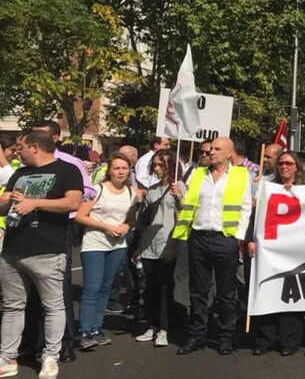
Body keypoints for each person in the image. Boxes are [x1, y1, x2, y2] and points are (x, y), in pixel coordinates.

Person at [0, 130, 84, 379]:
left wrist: (35, 203)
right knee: (12, 306)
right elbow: (3, 200)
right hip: (13, 248)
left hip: (47, 249)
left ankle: (50, 358)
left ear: (35, 147)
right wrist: (9, 201)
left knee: (52, 306)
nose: (17, 151)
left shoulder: (67, 171)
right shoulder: (20, 172)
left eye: (21, 146)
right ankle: (6, 358)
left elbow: (72, 203)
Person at [170, 136, 253, 356]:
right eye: (209, 149)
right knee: (198, 291)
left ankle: (225, 336)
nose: (211, 152)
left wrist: (239, 237)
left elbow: (245, 207)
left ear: (229, 153)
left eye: (217, 149)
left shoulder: (240, 175)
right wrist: (180, 197)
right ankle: (196, 335)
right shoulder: (198, 174)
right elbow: (189, 205)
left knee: (226, 292)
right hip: (198, 237)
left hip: (225, 238)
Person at [27, 120, 96, 364]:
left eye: (41, 136)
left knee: (59, 287)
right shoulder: (28, 165)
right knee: (32, 285)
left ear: (55, 138)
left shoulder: (71, 163)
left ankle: (65, 343)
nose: (35, 142)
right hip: (30, 226)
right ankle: (34, 341)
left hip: (59, 227)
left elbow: (87, 192)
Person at [74, 154, 139, 350]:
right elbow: (79, 215)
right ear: (109, 170)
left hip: (117, 246)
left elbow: (131, 219)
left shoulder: (130, 193)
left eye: (124, 168)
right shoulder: (98, 190)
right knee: (92, 287)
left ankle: (96, 328)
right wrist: (104, 227)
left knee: (106, 287)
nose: (120, 172)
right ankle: (84, 331)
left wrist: (126, 227)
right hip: (95, 243)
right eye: (117, 168)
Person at [248, 150, 305, 357]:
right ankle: (265, 338)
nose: (284, 167)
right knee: (268, 289)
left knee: (291, 293)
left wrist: (296, 194)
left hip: (295, 249)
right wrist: (250, 239)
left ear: (297, 167)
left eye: (289, 164)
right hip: (270, 248)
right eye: (281, 163)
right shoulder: (267, 188)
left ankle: (290, 340)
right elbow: (255, 216)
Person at [133, 148, 182, 348]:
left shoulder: (178, 188)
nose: (157, 168)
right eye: (155, 165)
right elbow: (145, 220)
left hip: (167, 243)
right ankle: (152, 325)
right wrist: (139, 247)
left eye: (161, 164)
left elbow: (183, 216)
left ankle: (164, 328)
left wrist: (174, 245)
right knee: (150, 287)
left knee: (164, 288)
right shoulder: (152, 189)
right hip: (149, 245)